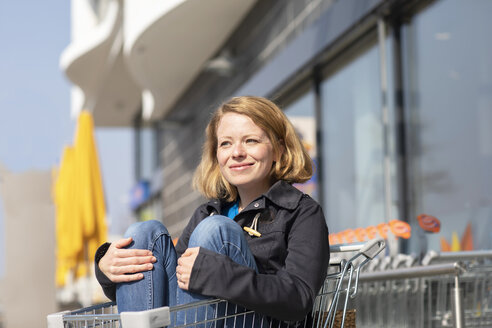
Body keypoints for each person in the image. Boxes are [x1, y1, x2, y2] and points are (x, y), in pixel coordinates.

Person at [94, 96, 330, 324]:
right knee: (144, 233)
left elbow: (299, 298)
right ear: (217, 154)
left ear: (278, 150)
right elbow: (156, 290)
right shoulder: (207, 211)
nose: (236, 152)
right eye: (226, 143)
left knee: (216, 230)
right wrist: (107, 269)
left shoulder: (301, 212)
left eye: (251, 141)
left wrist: (224, 276)